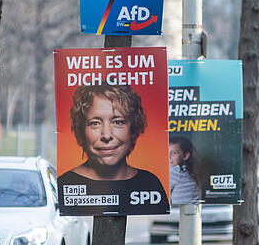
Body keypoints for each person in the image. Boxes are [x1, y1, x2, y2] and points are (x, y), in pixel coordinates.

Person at [58, 84, 169, 215]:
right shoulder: (65, 184)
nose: (106, 135)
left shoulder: (150, 184)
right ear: (81, 131)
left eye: (117, 122)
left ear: (132, 129)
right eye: (95, 123)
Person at [168, 136, 202, 205]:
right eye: (167, 152)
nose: (169, 156)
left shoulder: (176, 171)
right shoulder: (189, 170)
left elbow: (162, 191)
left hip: (182, 212)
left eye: (174, 153)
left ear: (185, 156)